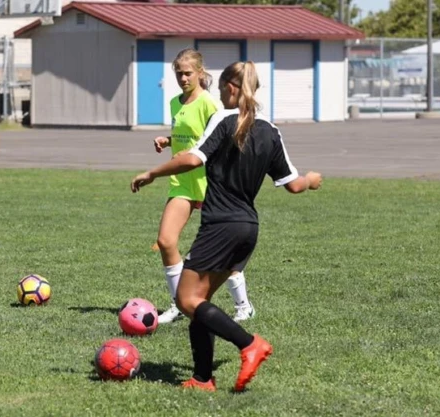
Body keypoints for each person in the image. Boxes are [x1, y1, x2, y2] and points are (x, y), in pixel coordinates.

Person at [131, 61, 322, 392]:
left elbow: (192, 158)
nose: (220, 94)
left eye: (221, 88)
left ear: (232, 88)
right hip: (248, 228)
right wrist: (311, 180)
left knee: (187, 299)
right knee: (200, 303)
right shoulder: (271, 130)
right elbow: (293, 184)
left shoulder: (223, 119)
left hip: (221, 225)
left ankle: (249, 344)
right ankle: (203, 379)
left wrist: (151, 173)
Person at [152, 48, 254, 325]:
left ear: (200, 73)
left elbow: (218, 136)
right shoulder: (176, 102)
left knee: (219, 251)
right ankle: (178, 305)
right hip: (183, 183)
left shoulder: (210, 103)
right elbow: (191, 136)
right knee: (166, 241)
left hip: (211, 184)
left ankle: (243, 305)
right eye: (178, 74)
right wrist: (169, 141)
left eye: (187, 73)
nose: (183, 78)